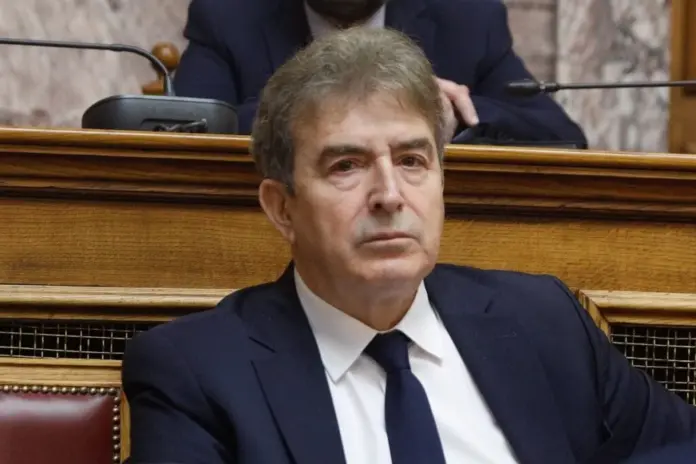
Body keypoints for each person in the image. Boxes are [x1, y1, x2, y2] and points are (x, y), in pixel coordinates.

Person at [123, 28, 695, 464]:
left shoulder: (545, 323)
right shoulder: (198, 373)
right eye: (347, 166)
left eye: (412, 160)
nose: (389, 195)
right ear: (282, 208)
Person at [173, 0, 586, 146]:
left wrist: (454, 116)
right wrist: (337, 106)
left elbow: (562, 137)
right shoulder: (227, 15)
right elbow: (183, 132)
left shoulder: (468, 18)